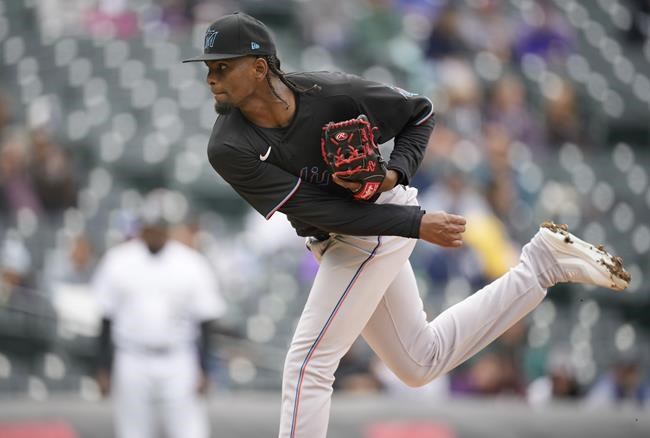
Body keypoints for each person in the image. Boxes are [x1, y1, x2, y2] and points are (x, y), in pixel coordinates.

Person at [182, 12, 630, 438]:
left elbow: (419, 114)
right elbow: (322, 212)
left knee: (307, 365)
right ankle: (542, 265)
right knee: (420, 362)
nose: (211, 79)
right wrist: (414, 223)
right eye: (209, 69)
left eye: (222, 67)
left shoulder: (332, 93)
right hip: (349, 227)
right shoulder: (228, 146)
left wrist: (394, 174)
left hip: (375, 226)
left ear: (260, 68)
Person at [92, 192, 227, 438]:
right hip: (131, 356)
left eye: (160, 226)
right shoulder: (118, 260)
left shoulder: (190, 263)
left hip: (178, 358)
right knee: (132, 432)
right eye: (149, 225)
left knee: (189, 431)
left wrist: (206, 369)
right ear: (141, 227)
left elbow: (206, 319)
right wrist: (103, 368)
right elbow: (105, 318)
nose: (154, 231)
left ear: (167, 228)